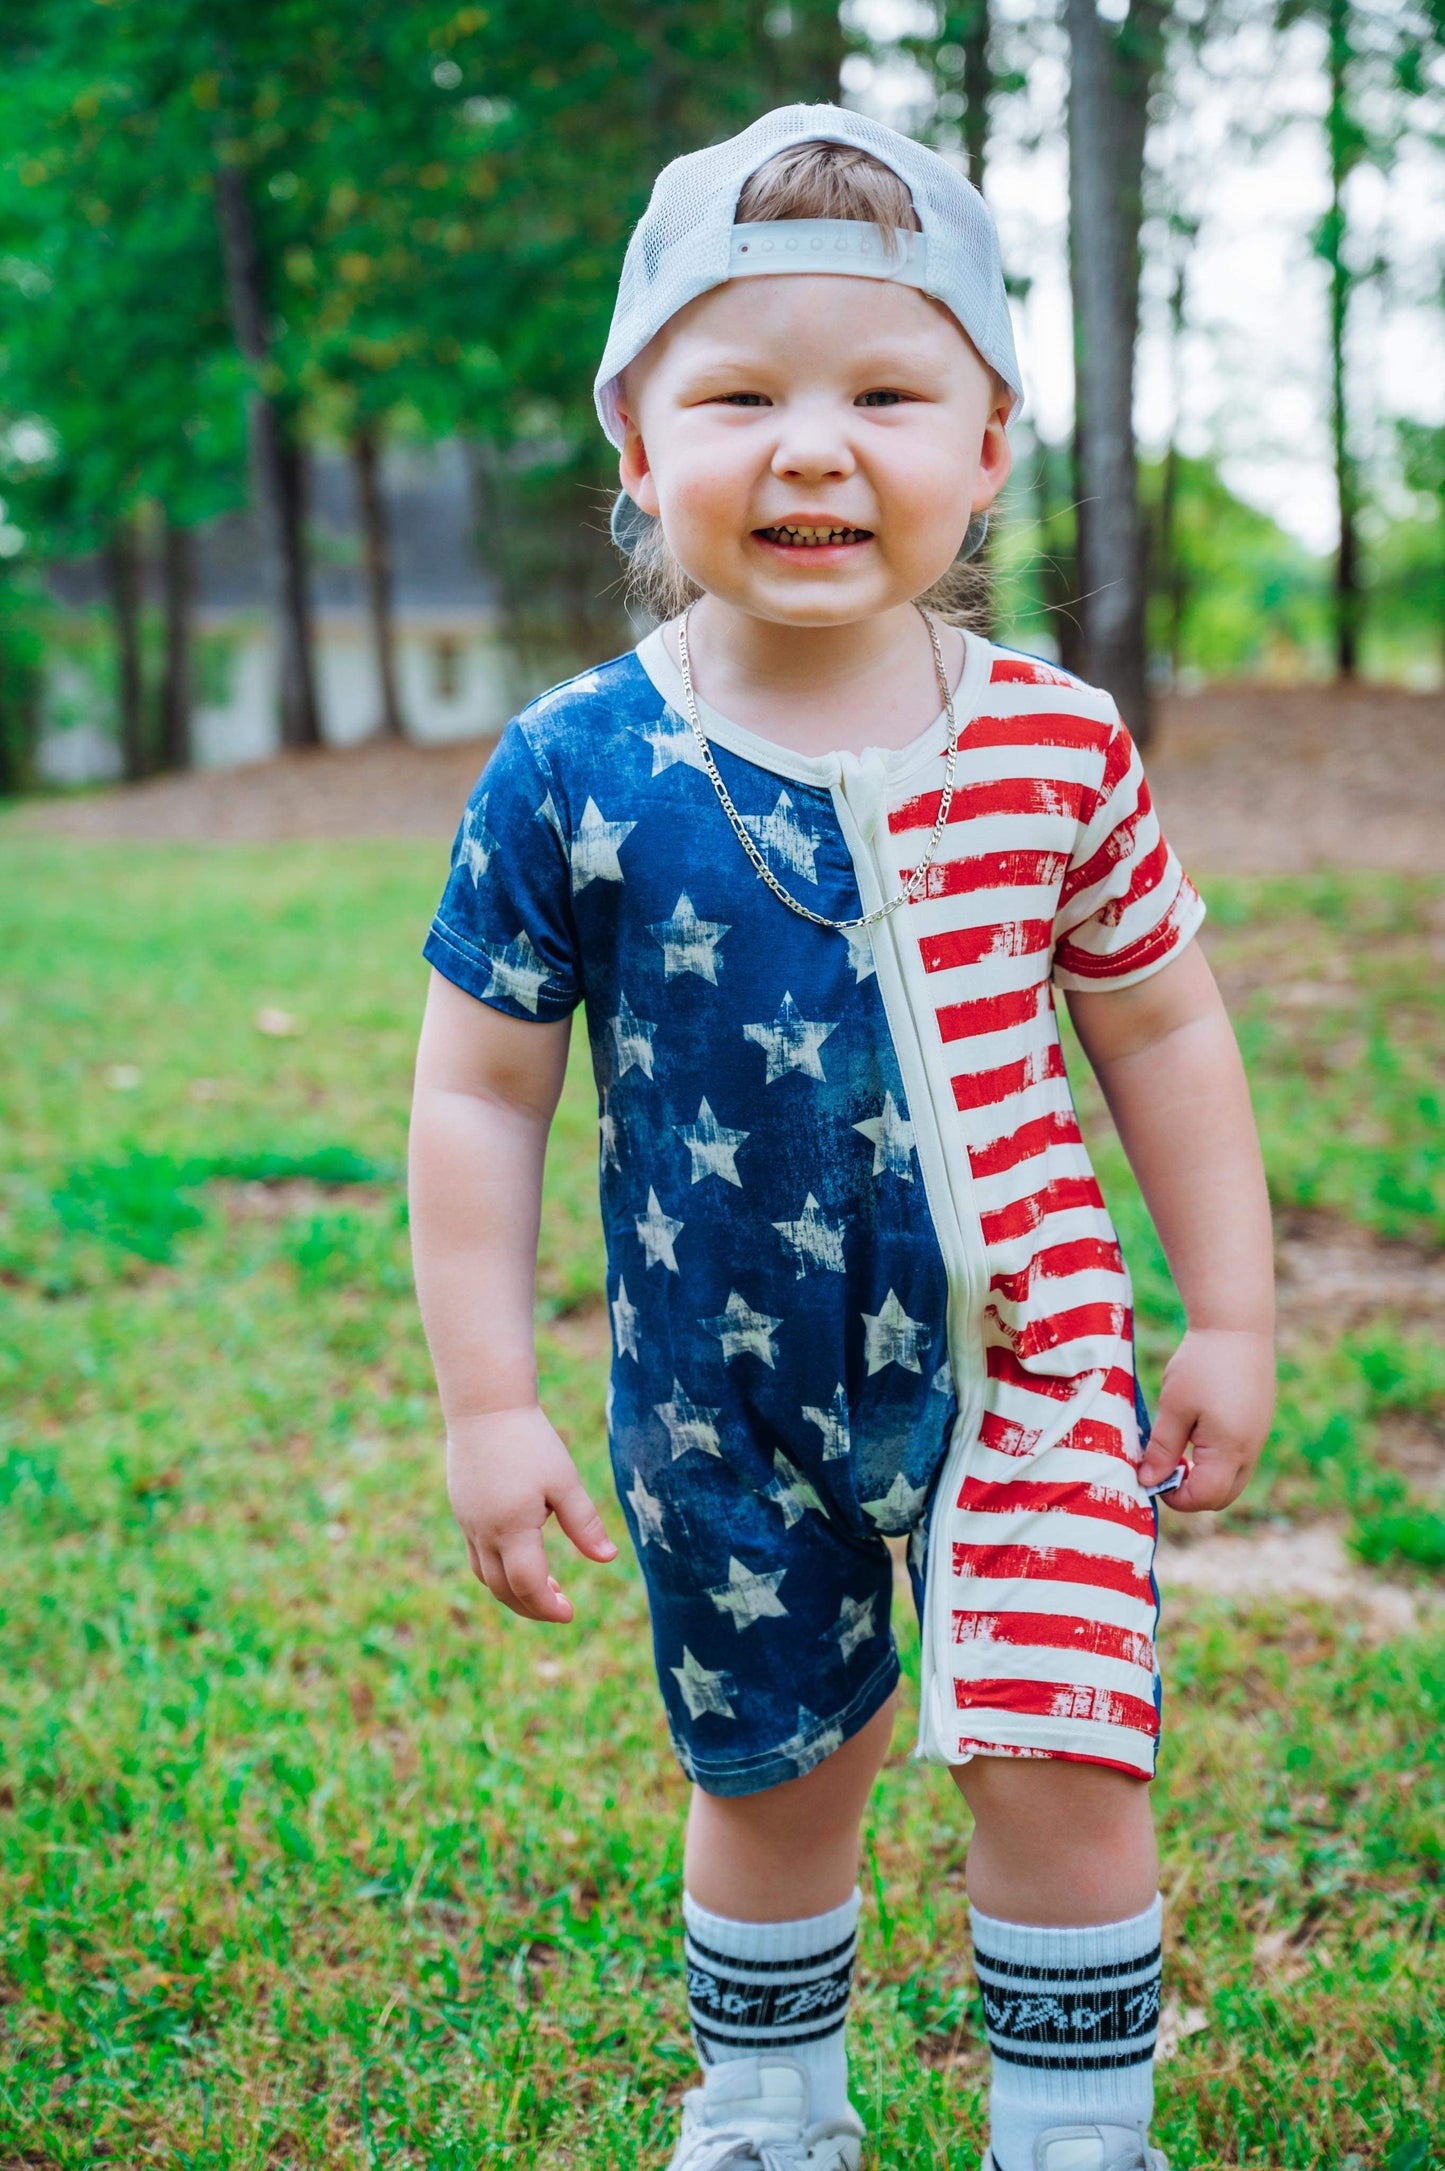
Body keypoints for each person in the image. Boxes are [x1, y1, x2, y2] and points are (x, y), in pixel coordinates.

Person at [408, 103, 1276, 2171]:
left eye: (888, 393)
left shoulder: (1055, 740)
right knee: (778, 1754)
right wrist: (486, 1399)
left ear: (986, 447)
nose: (815, 448)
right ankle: (773, 2110)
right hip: (719, 1388)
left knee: (1062, 1744)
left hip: (1030, 1369)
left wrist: (1227, 1315)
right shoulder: (574, 767)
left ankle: (1078, 2129)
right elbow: (478, 1084)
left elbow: (1160, 1021)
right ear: (636, 443)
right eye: (740, 394)